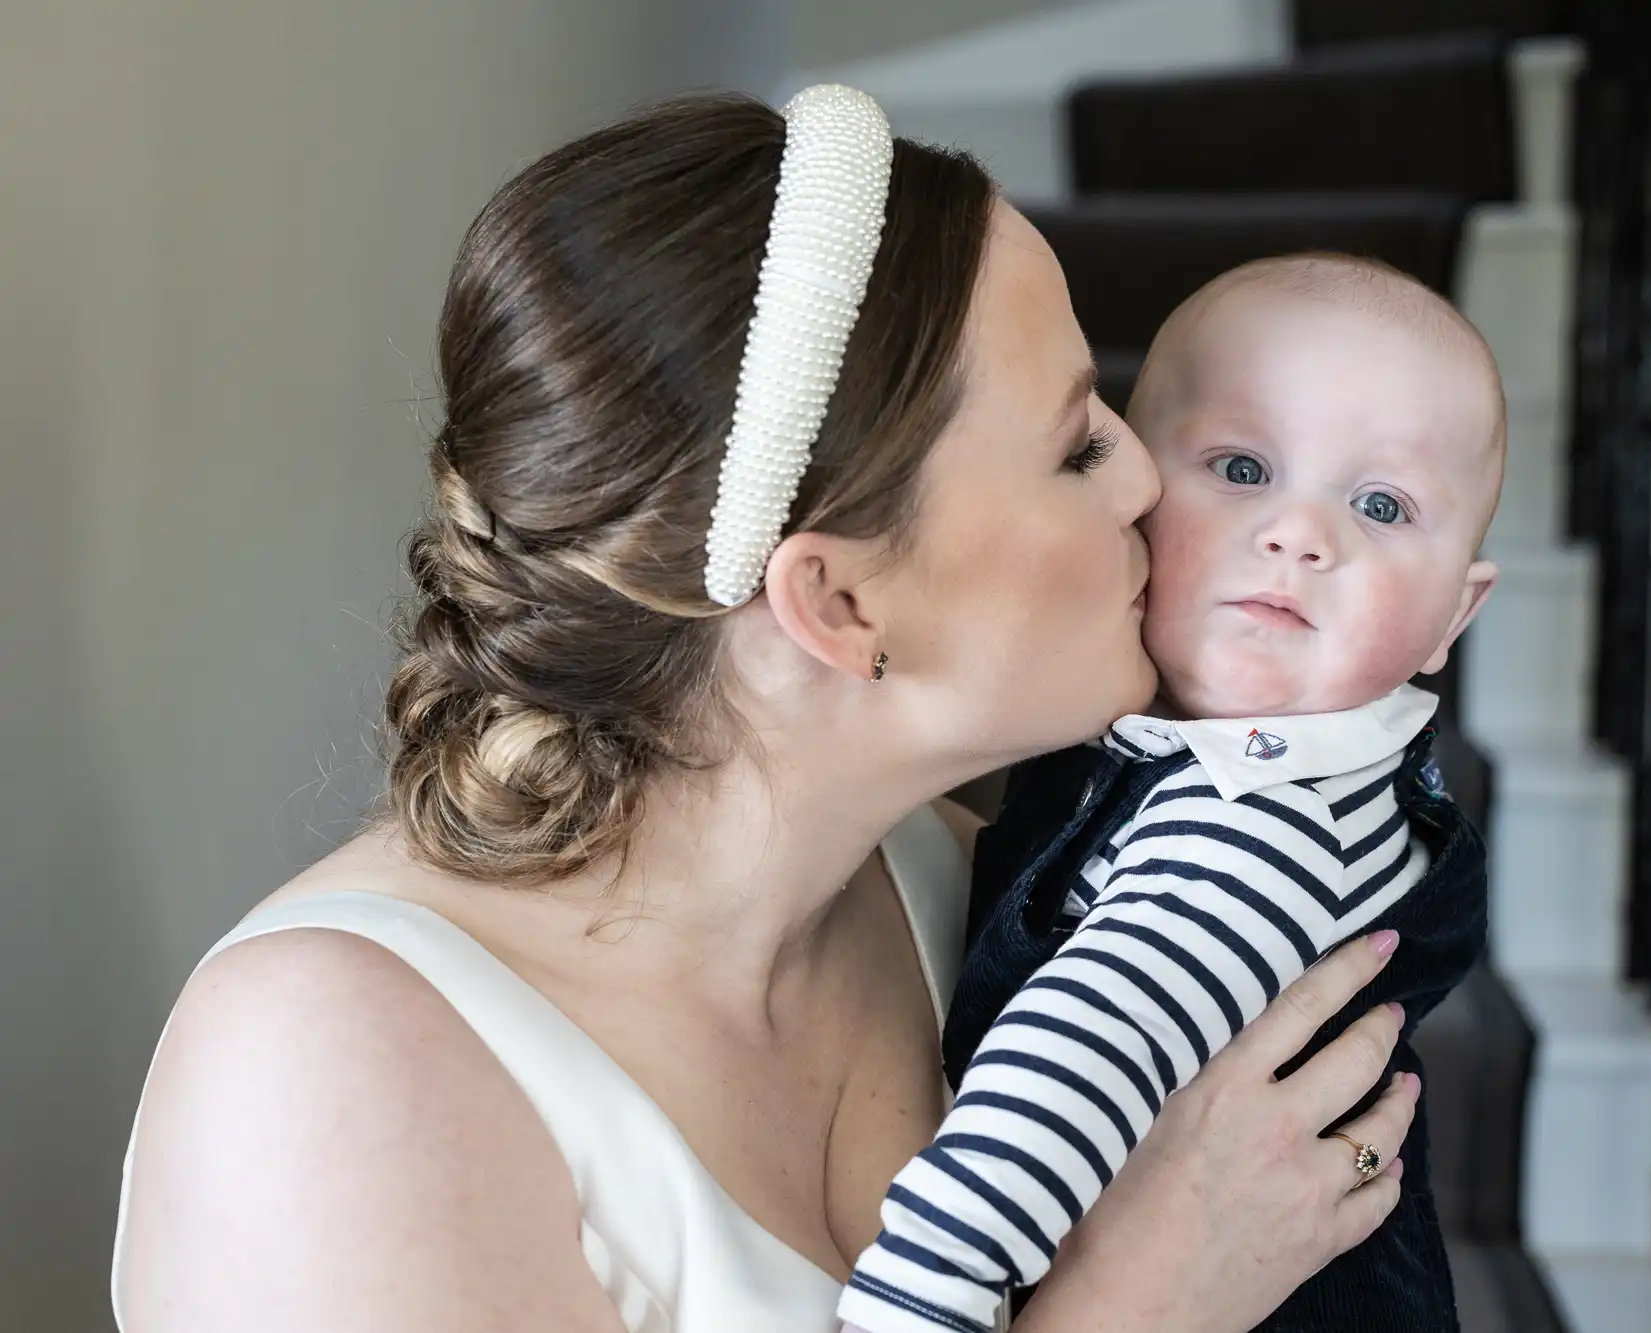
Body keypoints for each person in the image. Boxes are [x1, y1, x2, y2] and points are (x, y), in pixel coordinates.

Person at [110, 88, 1427, 1333]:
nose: (1149, 479)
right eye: (1076, 443)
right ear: (840, 606)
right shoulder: (323, 1075)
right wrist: (1131, 1303)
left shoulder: (966, 887)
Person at [841, 255, 1505, 1333]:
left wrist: (919, 1298)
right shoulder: (1195, 759)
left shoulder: (1262, 820)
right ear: (1133, 500)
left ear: (1448, 621)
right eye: (1241, 468)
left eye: (1379, 503)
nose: (1298, 533)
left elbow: (1071, 1064)